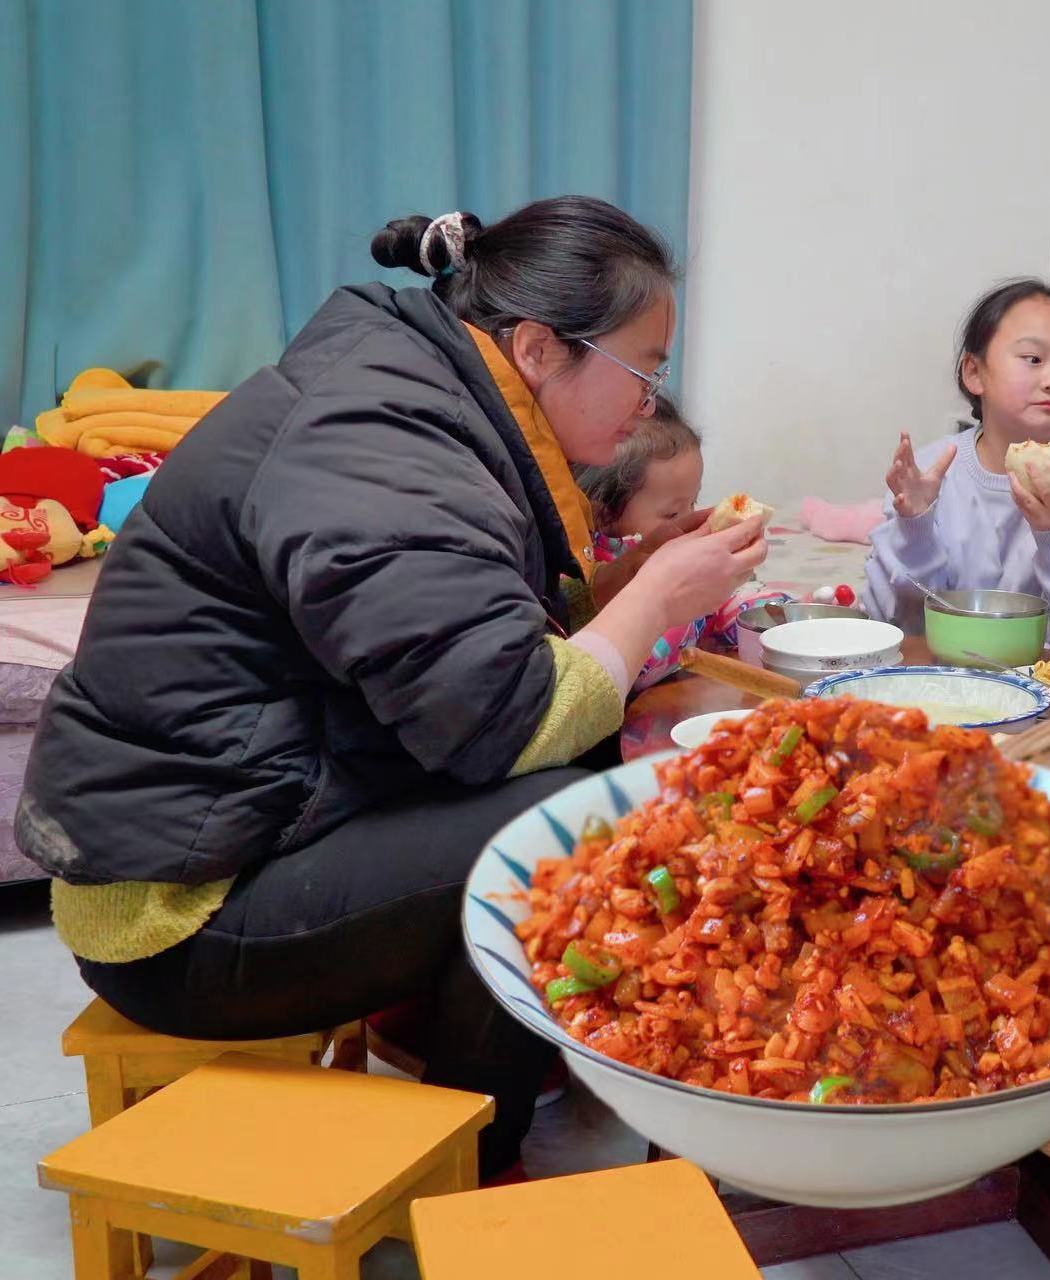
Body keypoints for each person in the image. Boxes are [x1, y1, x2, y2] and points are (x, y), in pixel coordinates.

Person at [15, 197, 769, 1180]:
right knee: (566, 827)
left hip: (250, 817)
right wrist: (662, 593)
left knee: (580, 779)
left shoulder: (416, 389)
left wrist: (636, 580)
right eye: (645, 370)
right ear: (538, 347)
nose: (651, 403)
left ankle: (480, 1061)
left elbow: (460, 639)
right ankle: (469, 1166)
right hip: (177, 910)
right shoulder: (383, 437)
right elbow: (501, 714)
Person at [861, 279, 1050, 630]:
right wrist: (915, 527)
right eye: (1034, 359)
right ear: (974, 373)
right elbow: (895, 623)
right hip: (937, 673)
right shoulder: (930, 473)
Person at [578, 396, 765, 692]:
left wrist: (768, 614)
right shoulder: (592, 576)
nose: (688, 519)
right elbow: (638, 667)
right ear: (604, 515)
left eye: (693, 501)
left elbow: (724, 605)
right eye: (672, 512)